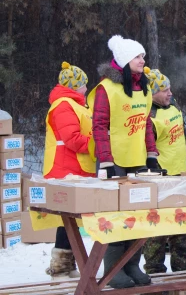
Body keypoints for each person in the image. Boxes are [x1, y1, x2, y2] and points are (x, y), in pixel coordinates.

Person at [89, 35, 158, 289]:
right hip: (114, 162)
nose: (143, 60)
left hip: (137, 161)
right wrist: (105, 161)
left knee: (138, 215)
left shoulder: (145, 87)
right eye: (138, 56)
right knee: (116, 217)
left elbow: (146, 123)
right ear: (125, 60)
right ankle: (113, 268)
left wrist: (151, 155)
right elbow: (99, 126)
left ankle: (132, 264)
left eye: (142, 56)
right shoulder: (107, 88)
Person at [43, 62, 94, 279]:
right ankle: (61, 266)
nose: (86, 88)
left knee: (70, 221)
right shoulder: (64, 105)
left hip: (74, 168)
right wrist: (98, 143)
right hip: (66, 169)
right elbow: (72, 139)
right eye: (83, 84)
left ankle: (66, 264)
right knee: (67, 220)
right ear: (75, 86)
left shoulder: (74, 105)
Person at [142, 67, 186, 274]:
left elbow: (184, 135)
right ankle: (154, 272)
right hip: (161, 179)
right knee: (157, 229)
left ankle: (182, 269)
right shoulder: (149, 115)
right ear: (152, 93)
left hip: (181, 175)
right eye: (164, 90)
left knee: (182, 226)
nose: (170, 93)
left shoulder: (174, 106)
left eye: (170, 88)